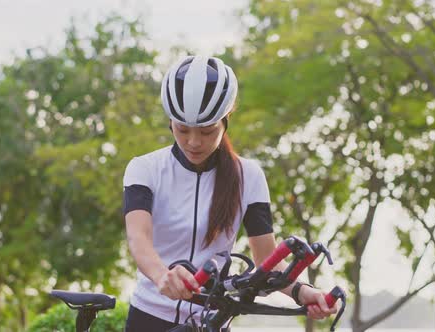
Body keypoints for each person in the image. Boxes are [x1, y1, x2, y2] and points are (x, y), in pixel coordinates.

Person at [123, 55, 338, 331]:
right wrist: (161, 275)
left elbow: (267, 262)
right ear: (170, 122)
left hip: (212, 321)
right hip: (149, 318)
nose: (193, 141)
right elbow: (138, 237)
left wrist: (306, 293)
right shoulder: (145, 169)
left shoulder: (248, 177)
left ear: (226, 120)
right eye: (182, 129)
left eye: (206, 130)